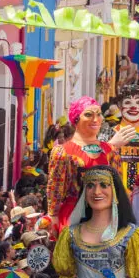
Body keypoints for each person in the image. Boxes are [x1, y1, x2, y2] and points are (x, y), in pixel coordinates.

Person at [47, 97, 128, 231]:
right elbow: (55, 189)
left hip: (105, 217)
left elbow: (118, 187)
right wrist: (53, 216)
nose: (95, 119)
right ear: (76, 119)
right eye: (88, 115)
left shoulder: (111, 151)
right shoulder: (62, 152)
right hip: (73, 217)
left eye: (98, 114)